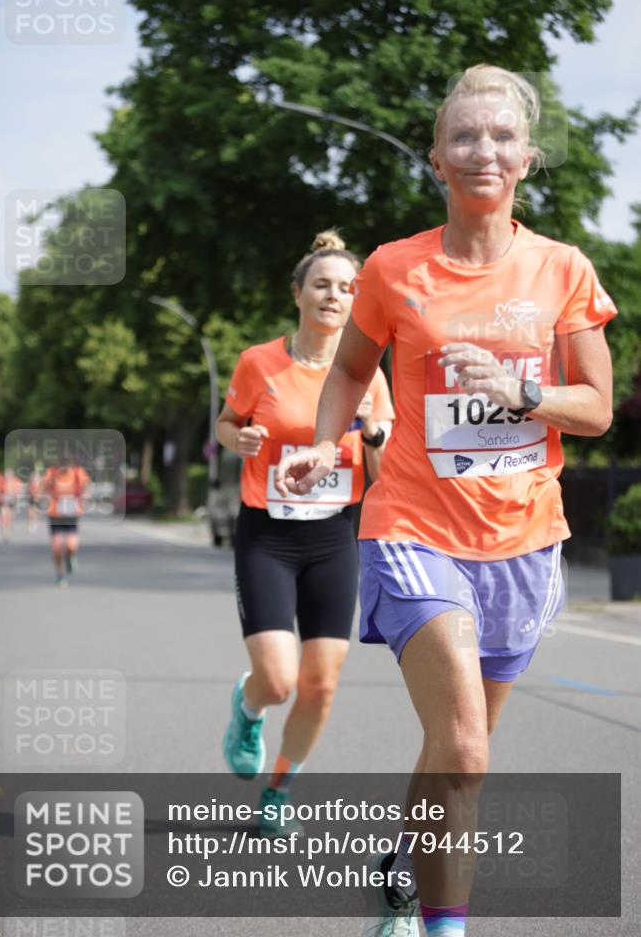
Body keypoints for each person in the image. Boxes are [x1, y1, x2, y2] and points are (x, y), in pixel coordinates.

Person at [275, 66, 616, 937]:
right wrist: (325, 442)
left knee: (457, 754)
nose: (482, 151)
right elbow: (351, 368)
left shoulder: (561, 270)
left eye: (501, 136)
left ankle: (402, 855)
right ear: (435, 158)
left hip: (523, 538)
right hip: (413, 529)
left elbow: (597, 409)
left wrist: (517, 391)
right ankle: (443, 925)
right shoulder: (393, 269)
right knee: (462, 748)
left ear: (527, 159)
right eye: (463, 136)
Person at [217, 229, 394, 837]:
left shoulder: (369, 374)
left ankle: (278, 788)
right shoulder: (258, 362)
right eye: (322, 284)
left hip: (333, 537)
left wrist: (373, 436)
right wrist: (235, 440)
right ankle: (249, 706)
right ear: (298, 293)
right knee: (280, 679)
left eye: (348, 288)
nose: (334, 295)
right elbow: (226, 422)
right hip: (267, 533)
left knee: (320, 684)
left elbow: (384, 468)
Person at [42, 457, 90, 586]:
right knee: (56, 546)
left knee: (71, 545)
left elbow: (86, 487)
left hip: (71, 514)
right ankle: (60, 574)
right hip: (55, 514)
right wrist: (45, 498)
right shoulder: (51, 473)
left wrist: (84, 498)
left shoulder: (78, 473)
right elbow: (43, 489)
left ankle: (70, 558)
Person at [0, 467, 23, 542]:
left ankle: (8, 533)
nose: (8, 475)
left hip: (12, 501)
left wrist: (18, 498)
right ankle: (4, 533)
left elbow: (19, 491)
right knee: (3, 515)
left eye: (9, 474)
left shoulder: (16, 481)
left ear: (12, 474)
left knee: (9, 517)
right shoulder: (2, 481)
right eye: (6, 474)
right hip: (4, 501)